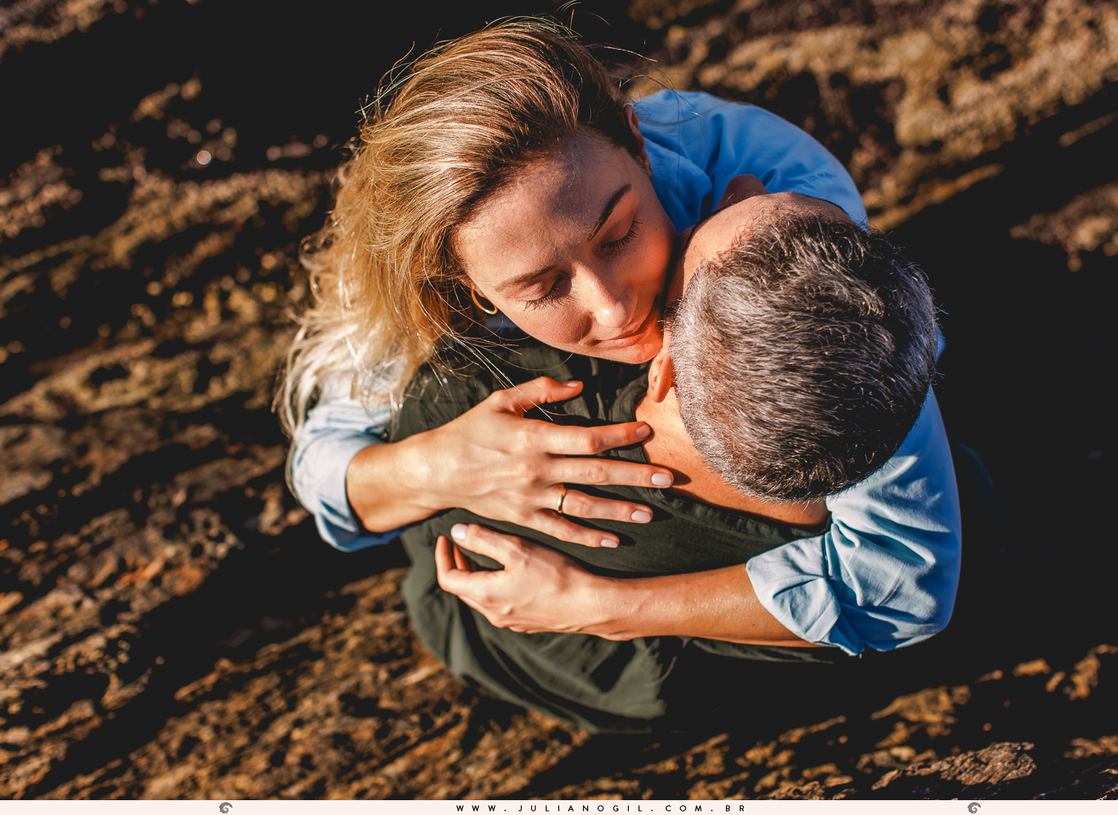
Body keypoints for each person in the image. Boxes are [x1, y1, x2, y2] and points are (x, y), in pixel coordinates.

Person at [281, 20, 961, 656]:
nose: (611, 310)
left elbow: (906, 576)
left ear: (637, 144)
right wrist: (444, 467)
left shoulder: (773, 220)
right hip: (473, 602)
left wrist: (595, 603)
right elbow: (326, 471)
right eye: (542, 288)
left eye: (619, 233)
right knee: (431, 409)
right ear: (460, 283)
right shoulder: (430, 278)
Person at [395, 188, 954, 731]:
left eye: (688, 245)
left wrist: (595, 604)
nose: (743, 186)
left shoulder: (468, 397)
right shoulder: (864, 416)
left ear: (663, 366)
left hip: (484, 625)